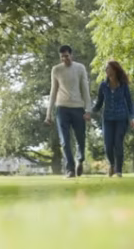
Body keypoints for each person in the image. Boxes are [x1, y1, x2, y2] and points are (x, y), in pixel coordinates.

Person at [44, 45, 92, 178]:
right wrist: (48, 114)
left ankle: (80, 160)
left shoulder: (80, 68)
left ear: (71, 55)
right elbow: (53, 92)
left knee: (80, 138)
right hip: (62, 108)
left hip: (78, 108)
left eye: (66, 56)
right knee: (64, 141)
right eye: (62, 57)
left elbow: (85, 89)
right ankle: (70, 169)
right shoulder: (56, 70)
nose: (64, 59)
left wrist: (88, 110)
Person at [92, 60, 134, 177]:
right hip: (107, 119)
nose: (107, 70)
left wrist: (132, 118)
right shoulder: (103, 86)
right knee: (108, 144)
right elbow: (99, 103)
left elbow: (129, 102)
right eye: (106, 69)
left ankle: (119, 170)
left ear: (115, 70)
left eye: (109, 68)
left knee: (118, 143)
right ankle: (112, 165)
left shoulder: (123, 85)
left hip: (121, 118)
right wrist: (90, 112)